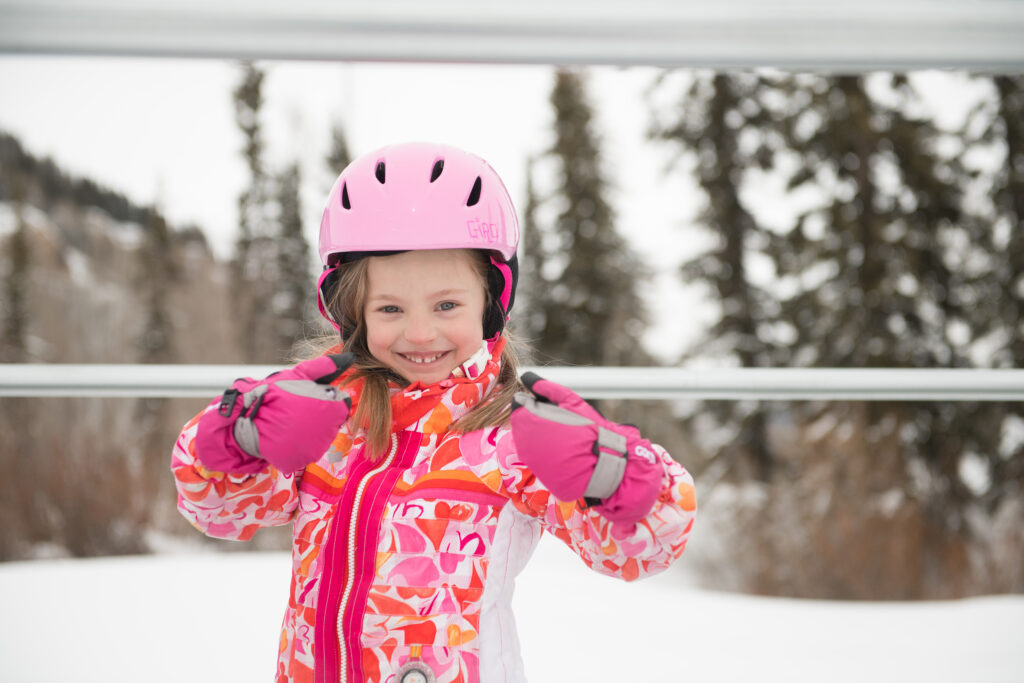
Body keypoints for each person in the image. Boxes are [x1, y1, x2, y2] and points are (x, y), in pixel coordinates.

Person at [171, 142, 697, 683]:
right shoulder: (326, 420)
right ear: (354, 313)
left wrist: (613, 475)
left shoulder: (510, 438)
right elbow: (219, 510)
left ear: (490, 303)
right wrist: (239, 440)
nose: (420, 334)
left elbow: (642, 549)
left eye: (447, 305)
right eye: (390, 308)